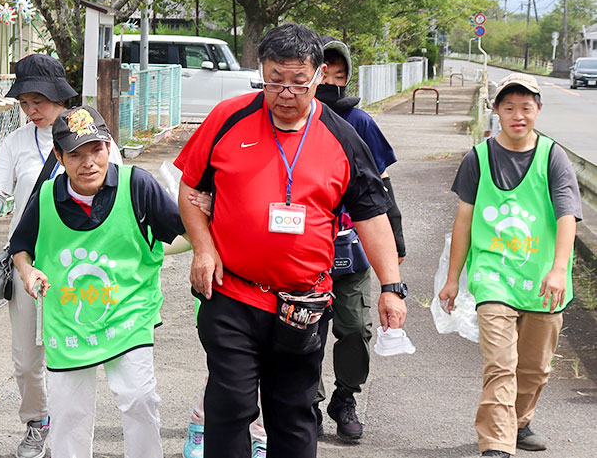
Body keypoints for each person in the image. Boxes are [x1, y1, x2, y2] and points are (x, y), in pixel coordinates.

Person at [174, 23, 407, 458]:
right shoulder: (228, 117)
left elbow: (372, 214)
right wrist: (203, 248)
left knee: (294, 415)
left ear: (319, 75)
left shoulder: (342, 136)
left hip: (302, 304)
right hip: (232, 294)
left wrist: (391, 286)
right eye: (273, 80)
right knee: (230, 406)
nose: (284, 93)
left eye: (298, 82)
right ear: (261, 72)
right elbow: (190, 187)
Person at [0, 54, 121, 458]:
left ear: (59, 96)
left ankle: (70, 432)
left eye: (38, 100)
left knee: (74, 356)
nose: (31, 110)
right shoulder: (17, 142)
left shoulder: (92, 137)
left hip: (81, 266)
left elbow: (119, 192)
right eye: (24, 102)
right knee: (27, 361)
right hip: (27, 264)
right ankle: (37, 421)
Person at [9, 105, 187, 458]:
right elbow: (20, 246)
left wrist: (155, 249)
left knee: (139, 398)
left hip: (129, 314)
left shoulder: (137, 185)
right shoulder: (46, 196)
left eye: (96, 150)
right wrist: (28, 272)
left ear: (108, 146)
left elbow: (184, 232)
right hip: (69, 322)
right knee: (69, 414)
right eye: (76, 154)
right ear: (59, 155)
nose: (88, 163)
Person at [439, 73, 581, 458]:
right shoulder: (478, 158)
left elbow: (567, 216)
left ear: (538, 110)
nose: (518, 115)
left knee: (534, 368)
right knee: (501, 364)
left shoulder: (553, 157)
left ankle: (518, 423)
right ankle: (497, 444)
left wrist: (558, 269)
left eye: (526, 108)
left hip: (542, 279)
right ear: (496, 110)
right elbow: (464, 220)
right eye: (509, 107)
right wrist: (453, 278)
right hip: (493, 276)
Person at [312, 35, 406, 442]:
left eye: (340, 75)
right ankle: (308, 403)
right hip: (305, 248)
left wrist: (395, 243)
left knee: (354, 328)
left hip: (352, 245)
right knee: (306, 331)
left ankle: (345, 397)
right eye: (324, 74)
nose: (331, 82)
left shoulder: (360, 122)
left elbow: (382, 185)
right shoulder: (296, 118)